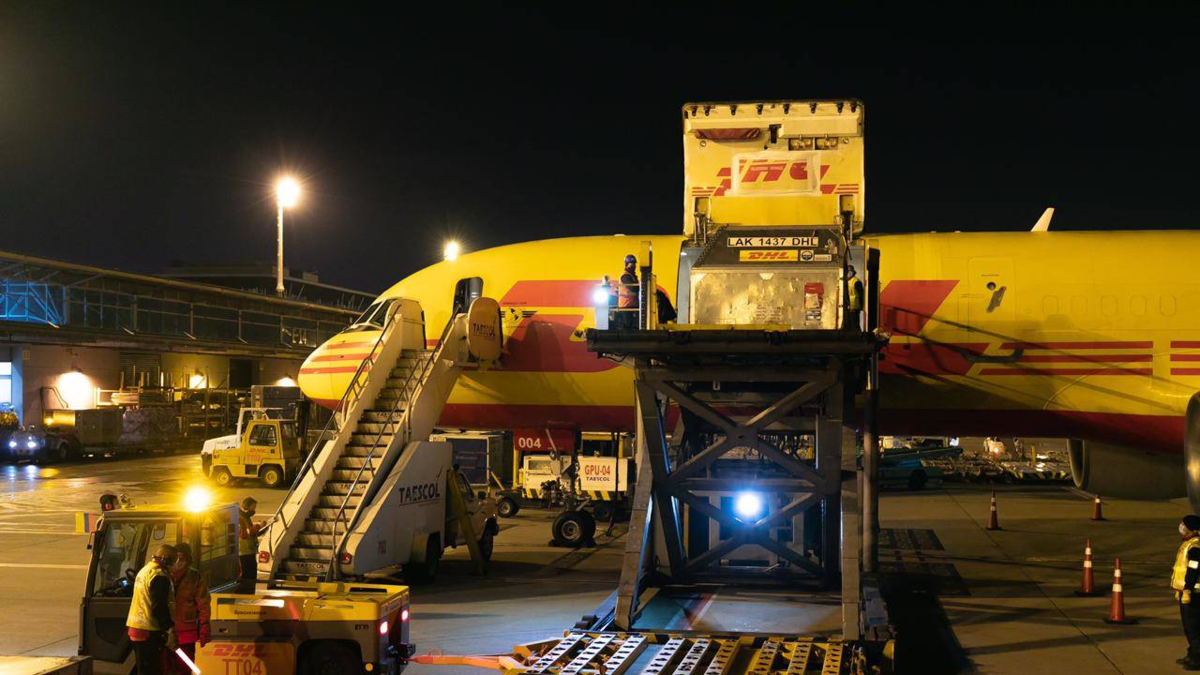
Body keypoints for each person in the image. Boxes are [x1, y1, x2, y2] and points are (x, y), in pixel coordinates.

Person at [126, 544, 177, 675]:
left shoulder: (145, 570)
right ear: (166, 558)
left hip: (136, 628)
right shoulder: (159, 576)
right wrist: (169, 628)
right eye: (173, 561)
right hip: (148, 631)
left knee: (144, 669)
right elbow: (159, 607)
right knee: (151, 670)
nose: (174, 566)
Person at [167, 543, 210, 675]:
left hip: (186, 634)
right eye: (176, 558)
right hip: (167, 633)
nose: (178, 562)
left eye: (182, 559)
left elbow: (204, 604)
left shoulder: (195, 577)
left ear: (188, 560)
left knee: (184, 670)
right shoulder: (164, 574)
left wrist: (204, 626)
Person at [1174, 515, 1200, 669]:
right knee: (1188, 627)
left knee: (1194, 627)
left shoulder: (1195, 546)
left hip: (1194, 593)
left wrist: (1187, 590)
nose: (1181, 526)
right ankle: (1192, 654)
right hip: (1187, 592)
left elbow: (1193, 570)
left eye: (1184, 524)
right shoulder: (1188, 543)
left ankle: (1197, 659)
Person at [237, 497, 261, 593]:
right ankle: (246, 594)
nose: (254, 510)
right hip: (244, 552)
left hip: (249, 551)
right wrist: (258, 526)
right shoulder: (240, 518)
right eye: (253, 507)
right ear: (247, 506)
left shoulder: (246, 517)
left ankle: (249, 593)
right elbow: (243, 534)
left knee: (252, 575)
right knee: (247, 575)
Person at [613, 254, 639, 329]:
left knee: (632, 326)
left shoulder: (631, 275)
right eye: (631, 264)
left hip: (631, 305)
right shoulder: (625, 276)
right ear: (626, 264)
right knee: (627, 327)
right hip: (626, 306)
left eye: (634, 264)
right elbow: (634, 288)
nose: (633, 266)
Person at [846, 265, 864, 331]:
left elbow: (861, 295)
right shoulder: (846, 281)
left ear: (853, 272)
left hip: (854, 307)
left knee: (855, 325)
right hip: (847, 307)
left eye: (850, 271)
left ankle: (857, 335)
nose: (848, 272)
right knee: (849, 326)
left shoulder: (856, 281)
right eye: (847, 271)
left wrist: (861, 306)